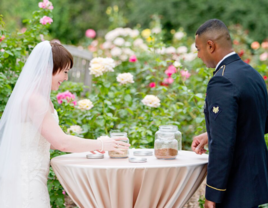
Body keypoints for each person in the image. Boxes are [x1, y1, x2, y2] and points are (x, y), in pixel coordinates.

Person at [0, 41, 130, 207]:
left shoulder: (42, 99)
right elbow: (61, 142)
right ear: (49, 69)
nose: (66, 78)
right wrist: (103, 144)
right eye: (65, 72)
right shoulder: (34, 100)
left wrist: (91, 146)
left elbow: (47, 140)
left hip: (34, 177)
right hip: (24, 180)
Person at [192, 19, 268, 208]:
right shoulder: (252, 74)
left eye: (198, 49)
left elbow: (223, 145)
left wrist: (213, 194)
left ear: (210, 46)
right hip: (254, 182)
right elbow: (260, 122)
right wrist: (212, 133)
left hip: (235, 188)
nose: (198, 55)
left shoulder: (222, 81)